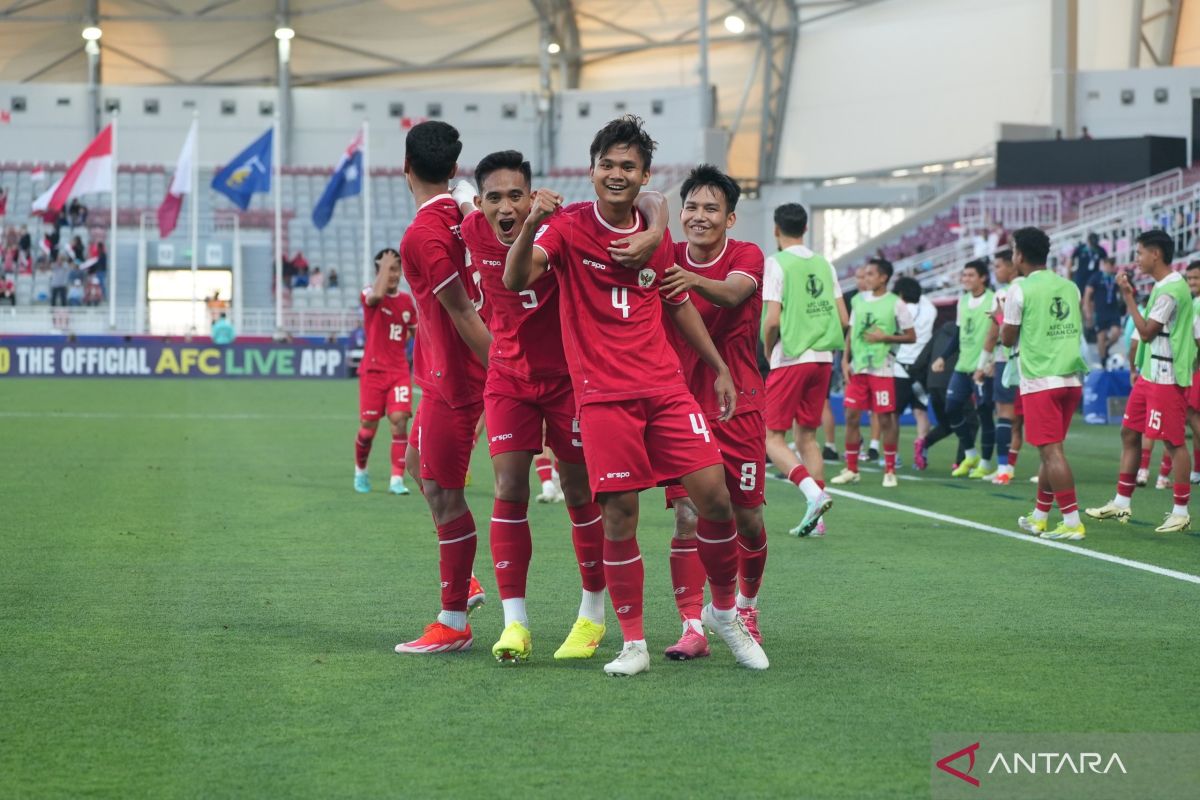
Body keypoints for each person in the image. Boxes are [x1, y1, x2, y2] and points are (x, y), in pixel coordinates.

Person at [506, 115, 767, 676]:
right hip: (603, 398)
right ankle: (633, 643)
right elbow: (516, 279)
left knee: (715, 498)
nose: (617, 174)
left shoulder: (658, 237)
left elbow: (676, 301)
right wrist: (529, 224)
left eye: (628, 166)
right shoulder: (570, 227)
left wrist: (719, 366)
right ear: (592, 170)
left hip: (666, 389)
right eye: (608, 165)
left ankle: (724, 613)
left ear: (644, 174)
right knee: (619, 516)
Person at [454, 149, 664, 663]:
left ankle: (592, 615)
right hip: (508, 379)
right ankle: (515, 624)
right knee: (509, 487)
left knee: (578, 492)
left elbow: (653, 197)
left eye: (517, 197)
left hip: (571, 379)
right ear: (480, 202)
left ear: (533, 197)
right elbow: (453, 201)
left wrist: (656, 231)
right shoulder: (471, 227)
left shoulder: (562, 224)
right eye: (495, 199)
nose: (507, 208)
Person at [656, 165, 769, 658]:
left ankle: (745, 608)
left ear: (730, 218)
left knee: (747, 518)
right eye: (691, 207)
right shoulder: (666, 253)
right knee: (687, 515)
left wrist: (689, 278)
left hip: (738, 401)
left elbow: (734, 292)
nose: (698, 217)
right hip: (681, 403)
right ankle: (693, 626)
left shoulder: (746, 255)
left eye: (710, 209)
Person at [392, 121, 492, 655]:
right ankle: (466, 581)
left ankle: (454, 618)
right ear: (454, 169)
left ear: (403, 167)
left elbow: (463, 313)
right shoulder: (463, 211)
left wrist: (503, 376)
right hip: (441, 376)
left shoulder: (422, 237)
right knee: (417, 467)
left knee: (445, 495)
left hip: (457, 379)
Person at [1086, 229, 1196, 533]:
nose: (1137, 259)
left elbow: (1147, 331)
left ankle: (1181, 511)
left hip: (1166, 376)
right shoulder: (1164, 285)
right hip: (1150, 373)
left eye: (1140, 253)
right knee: (1129, 432)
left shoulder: (1172, 288)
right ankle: (1121, 502)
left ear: (1155, 254)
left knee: (1173, 442)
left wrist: (1128, 297)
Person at [760, 202, 845, 535]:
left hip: (792, 356)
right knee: (808, 437)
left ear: (776, 230)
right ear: (806, 229)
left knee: (771, 437)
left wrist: (769, 351)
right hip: (823, 359)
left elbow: (772, 320)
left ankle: (813, 493)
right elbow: (843, 318)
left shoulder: (776, 263)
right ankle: (818, 519)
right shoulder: (825, 264)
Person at [1001, 227, 1089, 539]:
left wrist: (1000, 321)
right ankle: (1040, 515)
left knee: (1051, 452)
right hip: (1070, 378)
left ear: (1019, 255)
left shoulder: (1019, 289)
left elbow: (1007, 338)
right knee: (1051, 451)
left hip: (1041, 379)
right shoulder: (1070, 287)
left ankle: (1072, 521)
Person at [831, 257, 916, 487]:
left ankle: (889, 470)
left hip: (882, 369)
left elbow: (911, 336)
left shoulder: (896, 303)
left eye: (870, 274)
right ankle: (851, 469)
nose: (865, 278)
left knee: (885, 419)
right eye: (864, 274)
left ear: (883, 278)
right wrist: (845, 360)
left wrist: (884, 337)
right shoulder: (858, 300)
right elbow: (852, 332)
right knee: (850, 416)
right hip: (859, 369)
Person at [352, 248, 416, 495]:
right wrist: (384, 267)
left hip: (398, 371)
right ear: (379, 271)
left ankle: (396, 480)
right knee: (367, 429)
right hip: (373, 371)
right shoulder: (368, 291)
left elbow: (415, 331)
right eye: (389, 269)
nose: (393, 274)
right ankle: (361, 471)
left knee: (399, 421)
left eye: (396, 269)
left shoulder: (406, 301)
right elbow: (375, 298)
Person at [927, 260, 997, 478]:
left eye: (970, 275)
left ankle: (985, 462)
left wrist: (992, 361)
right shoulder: (963, 301)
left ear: (983, 277)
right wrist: (943, 357)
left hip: (982, 367)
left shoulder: (993, 299)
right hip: (962, 365)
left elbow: (997, 331)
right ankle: (970, 453)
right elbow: (958, 335)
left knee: (984, 413)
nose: (965, 279)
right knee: (952, 408)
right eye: (964, 275)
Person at [985, 249, 1024, 484]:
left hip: (1007, 359)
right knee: (1017, 419)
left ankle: (1003, 469)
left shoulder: (1005, 293)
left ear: (1013, 265)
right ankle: (1007, 467)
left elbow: (997, 334)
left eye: (998, 266)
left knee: (1006, 414)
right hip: (1025, 361)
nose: (995, 271)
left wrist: (983, 363)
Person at [893, 275, 936, 469]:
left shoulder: (898, 309)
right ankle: (922, 448)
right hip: (922, 368)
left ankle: (893, 455)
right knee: (920, 411)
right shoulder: (930, 309)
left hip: (900, 366)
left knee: (893, 414)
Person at [1084, 256, 1124, 365]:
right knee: (1100, 336)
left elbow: (1122, 292)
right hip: (1100, 311)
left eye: (1113, 265)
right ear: (1105, 264)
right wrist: (1088, 311)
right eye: (1110, 265)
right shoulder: (1097, 277)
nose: (1112, 267)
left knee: (1116, 333)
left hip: (1113, 310)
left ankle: (1106, 346)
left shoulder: (1115, 278)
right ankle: (1103, 361)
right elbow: (1088, 293)